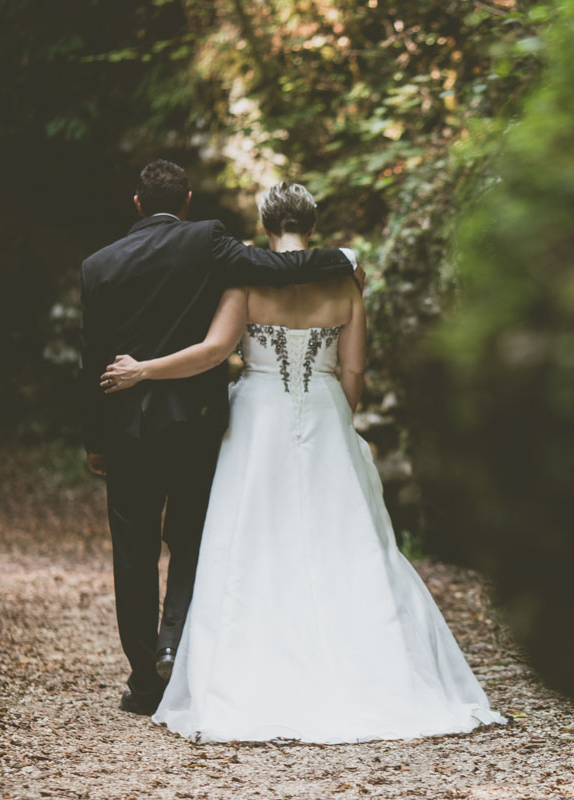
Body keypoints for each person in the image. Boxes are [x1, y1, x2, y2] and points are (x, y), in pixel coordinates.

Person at [99, 182, 506, 744]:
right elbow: (355, 371)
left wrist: (144, 369)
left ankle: (247, 669)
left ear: (265, 224)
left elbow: (215, 352)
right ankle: (371, 670)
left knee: (252, 537)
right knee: (344, 539)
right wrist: (337, 416)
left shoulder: (244, 281)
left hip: (256, 417)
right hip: (323, 409)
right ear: (312, 225)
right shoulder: (345, 284)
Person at [80, 161, 363, 716]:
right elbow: (279, 268)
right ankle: (173, 644)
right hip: (195, 420)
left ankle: (144, 683)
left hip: (129, 427)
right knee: (189, 539)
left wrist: (96, 438)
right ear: (186, 199)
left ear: (137, 203)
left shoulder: (96, 266)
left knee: (132, 554)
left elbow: (91, 357)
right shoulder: (208, 240)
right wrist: (347, 259)